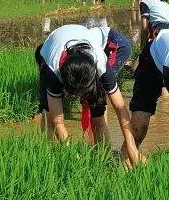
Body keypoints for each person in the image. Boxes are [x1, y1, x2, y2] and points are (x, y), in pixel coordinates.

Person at [35, 24, 143, 167]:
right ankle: (48, 156)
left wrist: (132, 146)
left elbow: (120, 108)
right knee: (48, 114)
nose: (82, 98)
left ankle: (104, 159)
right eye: (78, 94)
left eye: (86, 92)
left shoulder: (102, 67)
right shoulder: (52, 72)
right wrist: (74, 157)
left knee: (97, 117)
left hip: (84, 51)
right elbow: (58, 121)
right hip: (52, 48)